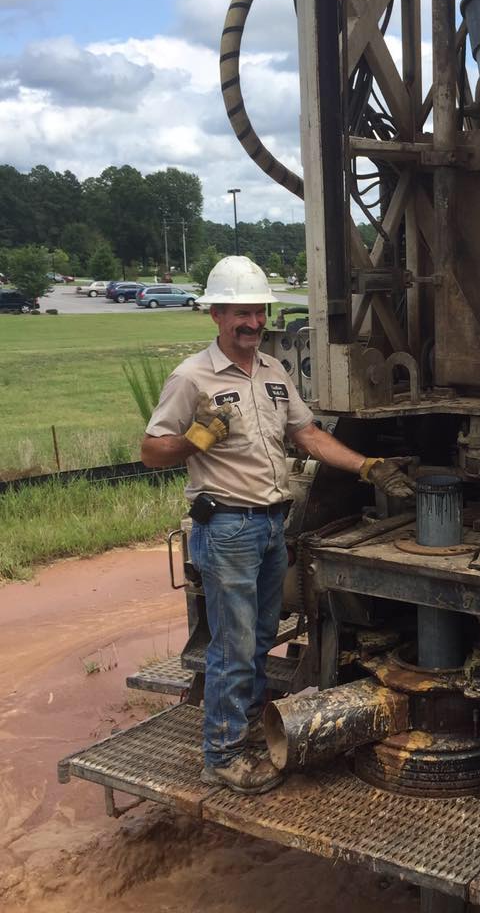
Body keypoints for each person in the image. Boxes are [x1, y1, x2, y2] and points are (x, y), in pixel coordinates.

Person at [141, 256, 413, 795]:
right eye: (241, 312)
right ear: (216, 314)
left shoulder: (272, 373)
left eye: (259, 312)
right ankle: (220, 756)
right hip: (226, 531)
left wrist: (367, 467)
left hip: (270, 528)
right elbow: (151, 451)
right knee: (234, 647)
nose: (253, 322)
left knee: (259, 638)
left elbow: (308, 436)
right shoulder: (191, 377)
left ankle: (241, 735)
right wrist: (194, 440)